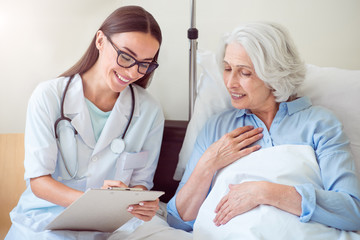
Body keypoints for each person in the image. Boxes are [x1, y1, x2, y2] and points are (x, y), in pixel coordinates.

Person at [167, 22, 360, 232]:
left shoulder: (319, 124)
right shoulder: (217, 127)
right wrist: (208, 164)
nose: (230, 82)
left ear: (275, 75)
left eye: (245, 73)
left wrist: (266, 192)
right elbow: (177, 220)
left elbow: (351, 212)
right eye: (227, 69)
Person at [6, 5, 164, 240]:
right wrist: (95, 204)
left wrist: (141, 201)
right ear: (100, 40)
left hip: (114, 224)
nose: (132, 72)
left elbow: (141, 184)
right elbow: (39, 181)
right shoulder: (49, 96)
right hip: (46, 220)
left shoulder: (150, 111)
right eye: (126, 57)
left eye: (145, 64)